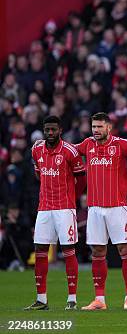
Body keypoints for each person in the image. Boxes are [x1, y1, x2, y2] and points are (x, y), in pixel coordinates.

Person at [77, 112, 127, 310]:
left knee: (125, 250)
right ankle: (99, 300)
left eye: (99, 127)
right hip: (94, 208)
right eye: (93, 127)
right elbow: (67, 151)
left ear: (108, 128)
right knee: (97, 251)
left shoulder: (122, 145)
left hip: (117, 207)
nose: (96, 131)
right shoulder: (87, 145)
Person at [25, 116, 85, 310]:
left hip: (64, 209)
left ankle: (72, 299)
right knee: (40, 250)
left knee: (68, 251)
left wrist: (71, 199)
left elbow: (81, 179)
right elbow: (38, 173)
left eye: (53, 130)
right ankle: (41, 299)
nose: (50, 133)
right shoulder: (36, 149)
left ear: (60, 130)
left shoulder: (70, 151)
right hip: (44, 208)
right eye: (47, 130)